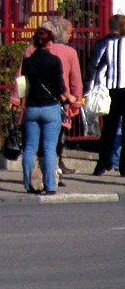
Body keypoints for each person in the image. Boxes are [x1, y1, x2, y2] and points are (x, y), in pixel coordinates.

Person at [14, 27, 75, 195]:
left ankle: (28, 184)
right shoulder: (55, 61)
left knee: (30, 148)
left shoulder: (28, 62)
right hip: (51, 108)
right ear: (49, 43)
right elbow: (60, 86)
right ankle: (50, 186)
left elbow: (24, 85)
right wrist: (69, 97)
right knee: (49, 148)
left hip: (32, 107)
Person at [88, 14, 125, 176]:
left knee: (109, 129)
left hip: (111, 90)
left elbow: (100, 69)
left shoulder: (110, 45)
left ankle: (102, 164)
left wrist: (94, 88)